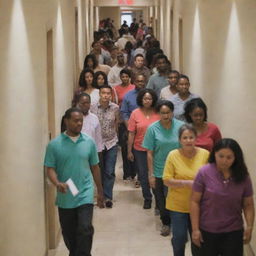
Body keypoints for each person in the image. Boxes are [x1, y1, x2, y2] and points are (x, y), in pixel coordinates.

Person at [44, 107, 104, 256]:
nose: (79, 124)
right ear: (66, 121)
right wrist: (57, 183)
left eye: (81, 121)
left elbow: (95, 167)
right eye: (76, 121)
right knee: (69, 232)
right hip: (66, 195)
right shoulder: (54, 145)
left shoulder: (89, 142)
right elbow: (49, 168)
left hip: (85, 191)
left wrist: (100, 192)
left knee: (85, 228)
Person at [190, 138, 254, 256]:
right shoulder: (204, 173)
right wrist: (195, 229)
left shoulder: (243, 177)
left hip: (233, 231)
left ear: (236, 158)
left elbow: (248, 204)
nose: (224, 161)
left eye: (229, 157)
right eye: (221, 156)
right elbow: (194, 201)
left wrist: (249, 227)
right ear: (214, 154)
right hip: (207, 231)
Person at [162, 124, 209, 256]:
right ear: (180, 140)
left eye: (191, 137)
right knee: (179, 238)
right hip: (178, 206)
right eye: (185, 138)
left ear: (196, 138)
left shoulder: (205, 155)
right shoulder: (173, 155)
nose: (188, 140)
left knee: (198, 239)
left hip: (200, 206)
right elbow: (166, 179)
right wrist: (186, 183)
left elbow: (212, 177)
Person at [143, 100, 184, 236]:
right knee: (161, 200)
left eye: (168, 112)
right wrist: (151, 175)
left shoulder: (181, 127)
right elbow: (149, 153)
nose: (165, 116)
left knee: (175, 199)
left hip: (177, 171)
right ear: (158, 114)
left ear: (172, 112)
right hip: (159, 170)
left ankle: (176, 223)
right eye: (162, 113)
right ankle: (165, 223)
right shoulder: (152, 129)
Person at [127, 89, 159, 209]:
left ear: (153, 100)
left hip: (156, 149)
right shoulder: (135, 113)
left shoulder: (158, 113)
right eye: (145, 98)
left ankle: (158, 199)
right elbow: (131, 133)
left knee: (155, 174)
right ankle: (147, 198)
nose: (147, 101)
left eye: (150, 98)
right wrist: (129, 150)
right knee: (143, 175)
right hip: (139, 149)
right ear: (141, 99)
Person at [90, 85, 119, 208]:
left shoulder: (115, 108)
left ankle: (108, 197)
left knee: (110, 171)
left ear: (111, 95)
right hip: (97, 143)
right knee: (99, 170)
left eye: (108, 93)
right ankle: (100, 194)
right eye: (103, 93)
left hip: (111, 142)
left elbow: (116, 123)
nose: (106, 95)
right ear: (99, 94)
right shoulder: (92, 108)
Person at [120, 73, 146, 181]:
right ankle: (132, 174)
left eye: (142, 81)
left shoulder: (149, 95)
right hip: (130, 129)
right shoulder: (128, 95)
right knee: (131, 153)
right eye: (138, 81)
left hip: (146, 130)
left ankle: (142, 177)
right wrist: (130, 127)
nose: (140, 83)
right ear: (134, 82)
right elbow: (124, 113)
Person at [114, 69, 135, 182]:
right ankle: (126, 172)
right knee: (125, 147)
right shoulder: (116, 88)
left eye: (127, 76)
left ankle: (134, 172)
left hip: (135, 120)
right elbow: (115, 104)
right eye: (123, 76)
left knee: (135, 147)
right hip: (123, 121)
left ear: (130, 77)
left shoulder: (134, 88)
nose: (125, 78)